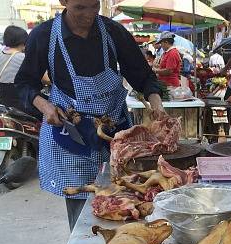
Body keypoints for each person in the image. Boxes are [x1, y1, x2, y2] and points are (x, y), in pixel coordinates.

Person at [15, 0, 164, 231]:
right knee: (83, 216)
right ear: (64, 2)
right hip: (71, 135)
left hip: (116, 135)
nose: (89, 14)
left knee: (126, 202)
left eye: (94, 6)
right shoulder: (44, 35)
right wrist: (45, 106)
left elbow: (142, 75)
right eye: (80, 8)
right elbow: (24, 83)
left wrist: (157, 105)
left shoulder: (113, 32)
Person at [0, 26, 29, 110]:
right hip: (22, 103)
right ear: (22, 41)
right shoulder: (24, 57)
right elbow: (43, 79)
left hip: (3, 101)